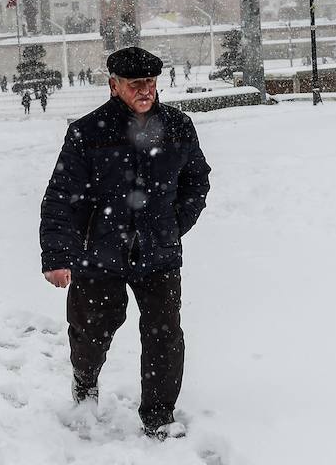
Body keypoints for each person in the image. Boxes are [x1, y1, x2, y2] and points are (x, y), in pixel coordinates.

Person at [39, 46, 211, 440]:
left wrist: (174, 223)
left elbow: (196, 181)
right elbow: (62, 195)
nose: (146, 91)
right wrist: (58, 254)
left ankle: (159, 415)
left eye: (150, 83)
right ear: (114, 85)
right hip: (99, 254)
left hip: (159, 253)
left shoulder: (178, 126)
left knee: (164, 333)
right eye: (136, 85)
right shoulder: (87, 132)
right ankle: (85, 385)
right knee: (91, 331)